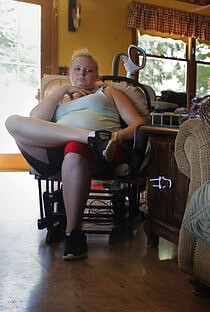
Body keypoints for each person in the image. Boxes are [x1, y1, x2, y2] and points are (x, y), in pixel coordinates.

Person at [5, 49, 145, 260]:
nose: (82, 74)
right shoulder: (61, 99)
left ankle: (74, 235)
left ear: (96, 75)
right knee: (12, 122)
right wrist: (62, 91)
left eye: (89, 70)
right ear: (70, 73)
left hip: (97, 153)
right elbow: (35, 118)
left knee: (74, 150)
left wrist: (116, 136)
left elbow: (139, 123)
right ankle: (90, 137)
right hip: (56, 152)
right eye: (77, 69)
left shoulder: (108, 92)